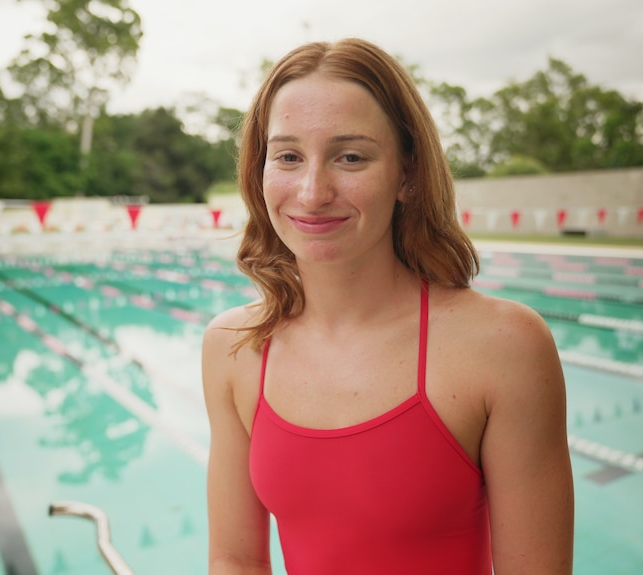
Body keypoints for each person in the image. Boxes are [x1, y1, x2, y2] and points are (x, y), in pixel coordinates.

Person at [202, 37, 574, 574]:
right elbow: (235, 559)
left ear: (407, 174)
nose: (311, 192)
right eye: (287, 156)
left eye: (350, 157)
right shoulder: (233, 348)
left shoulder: (503, 347)